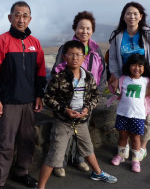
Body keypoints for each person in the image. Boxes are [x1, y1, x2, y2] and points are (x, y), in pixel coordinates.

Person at [38, 40, 117, 189]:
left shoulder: (88, 77)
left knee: (87, 149)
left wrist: (87, 108)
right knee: (55, 155)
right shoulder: (59, 78)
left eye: (78, 55)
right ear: (65, 57)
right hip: (63, 122)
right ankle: (41, 187)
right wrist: (64, 110)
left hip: (81, 121)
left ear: (83, 57)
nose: (75, 58)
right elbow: (48, 98)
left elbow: (95, 96)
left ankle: (97, 173)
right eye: (71, 55)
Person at [0, 1, 47, 188]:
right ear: (10, 18)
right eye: (17, 15)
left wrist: (39, 95)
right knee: (6, 143)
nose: (21, 19)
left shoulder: (34, 43)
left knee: (27, 140)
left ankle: (21, 173)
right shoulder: (0, 41)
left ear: (30, 19)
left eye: (25, 15)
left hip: (29, 102)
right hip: (9, 102)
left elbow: (41, 72)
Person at [108, 1, 150, 161]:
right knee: (126, 113)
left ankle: (141, 148)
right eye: (128, 13)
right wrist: (116, 79)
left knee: (145, 117)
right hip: (126, 82)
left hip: (146, 83)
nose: (132, 16)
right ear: (123, 16)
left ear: (141, 16)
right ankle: (124, 146)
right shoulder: (118, 36)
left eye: (135, 13)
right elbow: (113, 59)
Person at [50, 11, 106, 176]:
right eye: (81, 28)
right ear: (75, 29)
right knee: (63, 133)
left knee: (82, 132)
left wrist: (95, 95)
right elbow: (57, 70)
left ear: (92, 31)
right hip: (67, 100)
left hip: (86, 101)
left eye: (88, 28)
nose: (85, 31)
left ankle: (78, 159)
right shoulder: (66, 48)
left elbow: (102, 74)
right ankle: (59, 163)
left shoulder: (96, 50)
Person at [108, 54, 150, 172]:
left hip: (138, 115)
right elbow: (116, 93)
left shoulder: (147, 81)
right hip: (123, 113)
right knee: (122, 137)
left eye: (140, 66)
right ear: (129, 66)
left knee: (136, 138)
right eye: (134, 65)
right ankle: (120, 155)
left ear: (144, 68)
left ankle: (135, 160)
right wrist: (111, 85)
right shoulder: (123, 79)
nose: (137, 68)